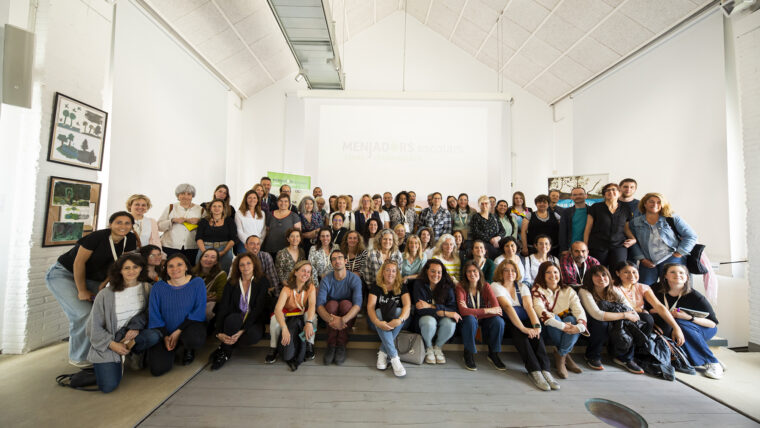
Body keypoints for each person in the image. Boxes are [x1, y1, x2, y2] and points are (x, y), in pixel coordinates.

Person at [46, 211, 138, 367]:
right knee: (83, 314)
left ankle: (101, 350)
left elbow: (121, 264)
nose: (123, 226)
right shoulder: (97, 237)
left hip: (94, 279)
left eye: (127, 223)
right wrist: (82, 290)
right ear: (111, 224)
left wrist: (104, 283)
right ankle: (79, 357)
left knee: (103, 313)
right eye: (119, 222)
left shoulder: (129, 239)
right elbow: (78, 263)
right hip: (65, 275)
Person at [86, 254, 159, 392]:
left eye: (135, 267)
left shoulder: (147, 288)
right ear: (119, 270)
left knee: (153, 336)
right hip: (110, 339)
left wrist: (136, 327)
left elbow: (149, 313)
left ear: (141, 269)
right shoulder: (105, 294)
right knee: (108, 387)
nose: (131, 271)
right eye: (126, 268)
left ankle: (133, 353)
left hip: (131, 336)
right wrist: (112, 344)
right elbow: (93, 326)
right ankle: (105, 367)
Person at [491, 259, 558, 391]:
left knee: (537, 336)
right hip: (509, 319)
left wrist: (536, 326)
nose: (510, 273)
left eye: (513, 270)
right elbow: (507, 307)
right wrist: (523, 328)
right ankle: (534, 371)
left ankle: (546, 370)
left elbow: (528, 306)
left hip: (524, 316)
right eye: (506, 270)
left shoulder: (522, 286)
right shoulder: (496, 285)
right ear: (501, 272)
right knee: (520, 334)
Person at [652, 263, 723, 379]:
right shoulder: (655, 289)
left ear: (687, 277)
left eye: (681, 273)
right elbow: (646, 308)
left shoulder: (695, 296)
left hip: (702, 328)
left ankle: (713, 362)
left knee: (681, 324)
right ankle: (706, 360)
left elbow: (712, 323)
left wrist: (689, 318)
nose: (678, 275)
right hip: (677, 327)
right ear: (665, 276)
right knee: (677, 326)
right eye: (673, 272)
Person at [147, 253, 206, 376]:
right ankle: (173, 346)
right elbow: (154, 314)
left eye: (179, 265)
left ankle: (187, 348)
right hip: (165, 331)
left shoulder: (197, 283)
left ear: (186, 267)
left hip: (189, 327)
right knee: (158, 370)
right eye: (170, 266)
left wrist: (178, 331)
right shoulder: (158, 287)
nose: (175, 269)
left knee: (193, 339)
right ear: (166, 269)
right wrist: (165, 336)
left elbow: (199, 311)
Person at [578, 265, 644, 373]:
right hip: (592, 320)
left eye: (604, 275)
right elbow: (597, 314)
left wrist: (633, 316)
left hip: (614, 319)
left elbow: (629, 308)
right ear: (590, 278)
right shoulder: (584, 291)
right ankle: (593, 355)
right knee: (601, 324)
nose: (601, 278)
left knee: (636, 322)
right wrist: (625, 315)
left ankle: (624, 358)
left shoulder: (613, 289)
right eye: (596, 276)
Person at [208, 253, 268, 370]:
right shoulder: (231, 282)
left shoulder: (262, 281)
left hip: (253, 320)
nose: (245, 267)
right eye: (242, 265)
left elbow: (258, 309)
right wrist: (219, 332)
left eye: (248, 263)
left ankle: (225, 346)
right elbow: (223, 307)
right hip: (235, 319)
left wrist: (242, 330)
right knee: (232, 319)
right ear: (238, 267)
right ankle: (226, 353)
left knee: (253, 336)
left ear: (254, 265)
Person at [625, 192, 698, 285]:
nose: (655, 204)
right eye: (651, 201)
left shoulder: (672, 218)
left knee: (675, 286)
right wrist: (642, 259)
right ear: (644, 203)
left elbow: (691, 236)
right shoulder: (635, 222)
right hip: (647, 261)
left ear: (662, 204)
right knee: (645, 287)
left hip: (671, 258)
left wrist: (680, 253)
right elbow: (633, 242)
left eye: (659, 202)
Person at [532, 261, 588, 378]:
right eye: (548, 272)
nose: (553, 275)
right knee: (554, 317)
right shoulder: (537, 289)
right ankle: (565, 356)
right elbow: (541, 312)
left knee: (572, 319)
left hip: (565, 327)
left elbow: (579, 309)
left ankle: (561, 355)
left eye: (556, 272)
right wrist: (563, 326)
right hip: (546, 327)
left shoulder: (568, 290)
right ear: (542, 274)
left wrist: (579, 327)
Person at [613, 261, 683, 345]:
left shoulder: (642, 287)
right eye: (626, 272)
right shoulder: (613, 287)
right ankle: (642, 347)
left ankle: (666, 348)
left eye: (634, 272)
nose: (631, 275)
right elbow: (619, 307)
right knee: (647, 318)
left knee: (665, 321)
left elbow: (658, 306)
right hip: (622, 316)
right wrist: (640, 310)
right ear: (617, 273)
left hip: (640, 316)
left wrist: (676, 328)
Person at [455, 261, 505, 371]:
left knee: (498, 321)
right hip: (469, 320)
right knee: (470, 320)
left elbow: (497, 309)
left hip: (484, 319)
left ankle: (493, 353)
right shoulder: (460, 287)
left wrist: (471, 310)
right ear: (465, 274)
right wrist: (487, 310)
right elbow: (463, 312)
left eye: (475, 271)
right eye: (469, 271)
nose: (472, 274)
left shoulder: (486, 286)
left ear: (479, 272)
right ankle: (468, 353)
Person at [318, 250, 363, 365]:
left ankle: (341, 344)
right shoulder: (326, 279)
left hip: (347, 318)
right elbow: (319, 306)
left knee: (346, 304)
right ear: (331, 263)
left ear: (345, 261)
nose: (337, 261)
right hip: (330, 316)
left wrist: (342, 320)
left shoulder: (354, 279)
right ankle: (331, 344)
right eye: (334, 259)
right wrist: (332, 320)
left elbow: (358, 305)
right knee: (332, 304)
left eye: (339, 258)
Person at [413, 259, 461, 364]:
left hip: (441, 319)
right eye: (433, 271)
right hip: (423, 319)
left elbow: (452, 308)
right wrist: (444, 312)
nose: (436, 275)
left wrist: (430, 306)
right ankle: (429, 347)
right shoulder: (419, 284)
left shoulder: (447, 285)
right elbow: (420, 310)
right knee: (429, 321)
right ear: (427, 271)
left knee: (450, 323)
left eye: (439, 272)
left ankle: (438, 347)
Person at [272, 260, 317, 371]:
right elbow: (278, 309)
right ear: (296, 272)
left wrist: (309, 323)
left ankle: (309, 344)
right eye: (303, 271)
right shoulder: (287, 288)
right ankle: (273, 348)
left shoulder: (311, 287)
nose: (306, 274)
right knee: (274, 319)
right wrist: (284, 328)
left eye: (308, 272)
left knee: (313, 317)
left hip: (301, 314)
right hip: (288, 314)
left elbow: (312, 305)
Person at [367, 260, 409, 376]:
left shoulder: (401, 286)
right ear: (383, 272)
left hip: (397, 323)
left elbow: (407, 306)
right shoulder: (376, 286)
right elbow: (370, 307)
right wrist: (377, 322)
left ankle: (383, 352)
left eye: (394, 271)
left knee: (400, 311)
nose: (391, 273)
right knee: (379, 311)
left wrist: (399, 320)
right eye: (388, 270)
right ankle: (395, 358)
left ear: (397, 273)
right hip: (376, 321)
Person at [584, 183, 635, 268]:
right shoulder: (596, 207)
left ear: (619, 193)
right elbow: (587, 228)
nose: (611, 192)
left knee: (618, 271)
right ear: (604, 194)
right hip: (597, 245)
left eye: (614, 189)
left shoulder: (625, 209)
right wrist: (585, 246)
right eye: (607, 190)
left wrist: (633, 239)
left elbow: (626, 228)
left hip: (619, 245)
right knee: (598, 271)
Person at [158, 184, 203, 264]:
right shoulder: (171, 207)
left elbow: (206, 227)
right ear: (178, 196)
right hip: (170, 246)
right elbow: (159, 226)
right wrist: (172, 220)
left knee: (190, 271)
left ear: (192, 196)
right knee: (170, 269)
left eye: (189, 194)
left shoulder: (201, 209)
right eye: (182, 194)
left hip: (192, 247)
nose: (185, 196)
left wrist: (199, 222)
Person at [195, 199, 237, 272]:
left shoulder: (229, 221)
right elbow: (198, 238)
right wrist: (205, 252)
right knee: (201, 273)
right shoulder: (203, 221)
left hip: (224, 249)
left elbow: (233, 239)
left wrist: (223, 252)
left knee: (223, 273)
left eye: (219, 206)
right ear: (210, 208)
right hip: (205, 248)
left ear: (223, 209)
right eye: (214, 206)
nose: (217, 208)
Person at [191, 248, 227, 321]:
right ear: (200, 259)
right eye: (206, 256)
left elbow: (220, 296)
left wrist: (198, 296)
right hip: (191, 305)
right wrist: (204, 297)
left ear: (216, 262)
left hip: (209, 309)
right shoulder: (192, 272)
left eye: (213, 257)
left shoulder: (221, 275)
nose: (208, 259)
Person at [235, 189, 266, 254]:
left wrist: (259, 242)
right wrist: (249, 243)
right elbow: (239, 231)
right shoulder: (239, 213)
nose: (252, 200)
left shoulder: (262, 213)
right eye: (250, 198)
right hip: (244, 245)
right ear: (246, 199)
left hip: (258, 245)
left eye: (254, 198)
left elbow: (264, 230)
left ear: (257, 200)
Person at [558, 187, 589, 254]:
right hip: (571, 248)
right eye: (575, 195)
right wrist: (564, 248)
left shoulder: (592, 211)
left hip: (588, 248)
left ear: (586, 196)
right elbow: (562, 231)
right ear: (571, 197)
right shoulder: (566, 212)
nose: (578, 196)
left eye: (580, 194)